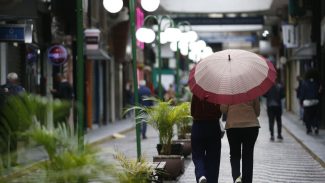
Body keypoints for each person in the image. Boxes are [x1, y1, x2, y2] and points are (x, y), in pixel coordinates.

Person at [220, 98, 260, 183]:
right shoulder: (252, 88)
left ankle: (237, 177)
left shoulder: (229, 90)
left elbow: (223, 109)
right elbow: (257, 112)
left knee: (234, 154)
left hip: (233, 126)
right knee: (248, 156)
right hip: (251, 126)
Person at [191, 95, 223, 183]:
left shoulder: (197, 93)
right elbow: (219, 113)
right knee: (214, 158)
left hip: (198, 126)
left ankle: (201, 175)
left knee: (197, 155)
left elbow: (192, 111)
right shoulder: (216, 93)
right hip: (213, 126)